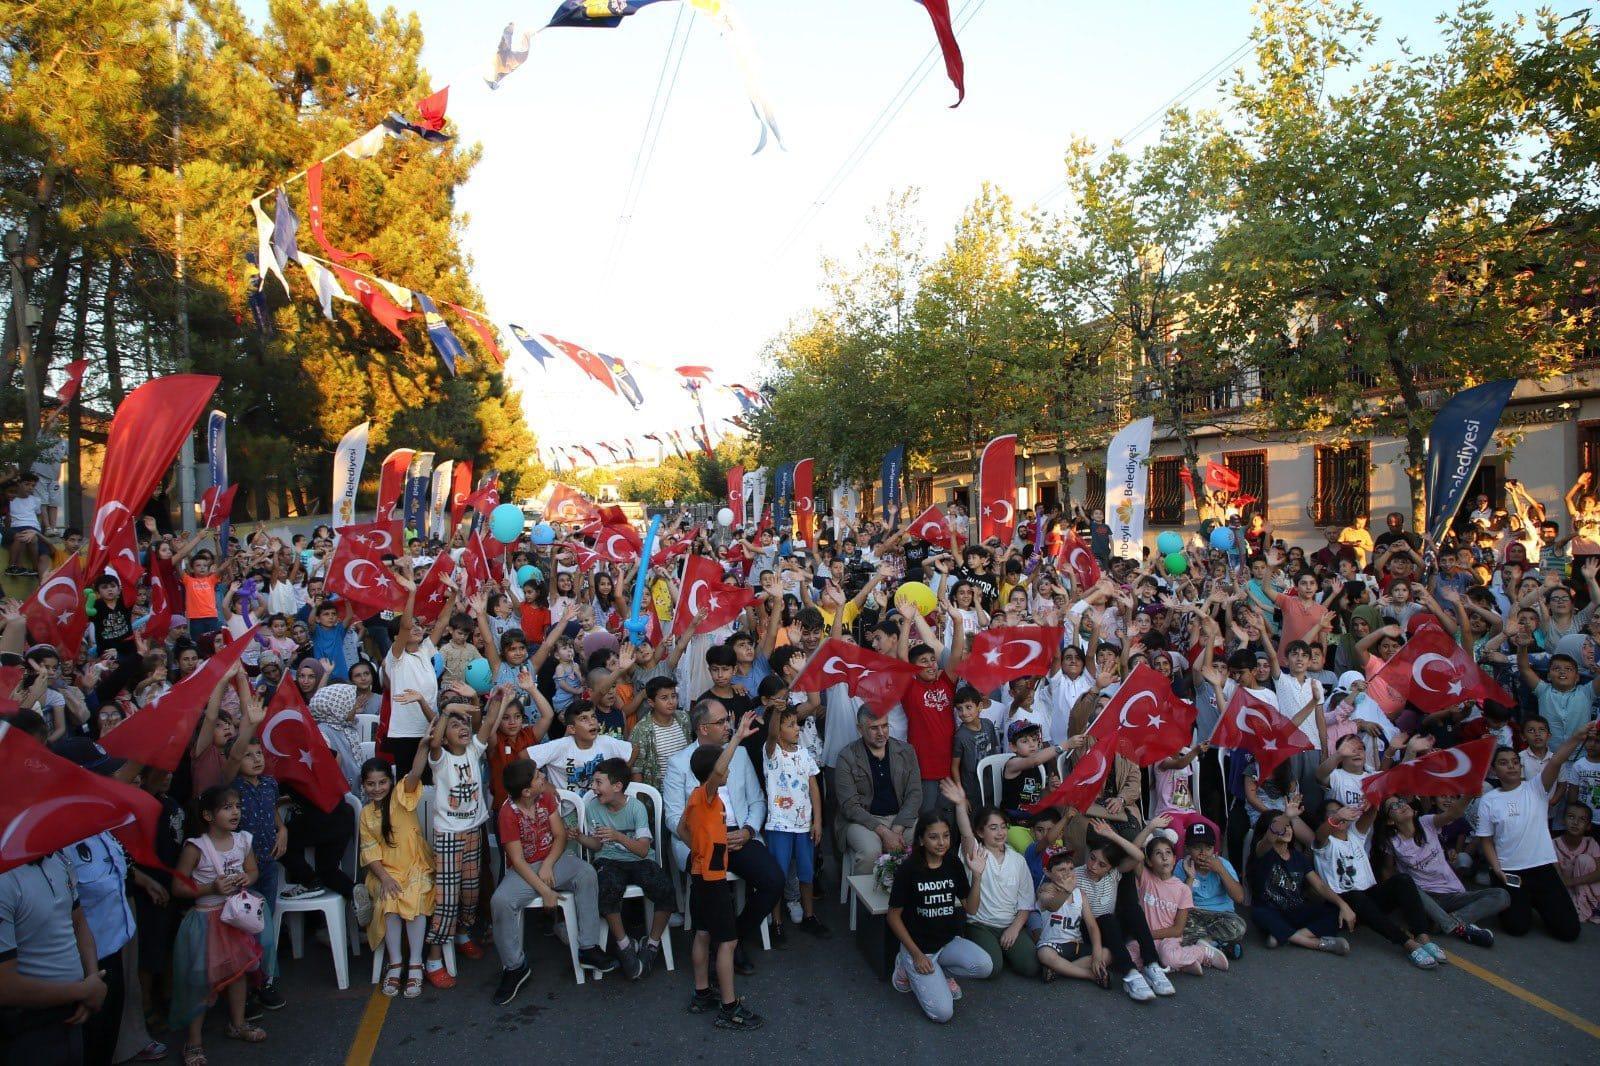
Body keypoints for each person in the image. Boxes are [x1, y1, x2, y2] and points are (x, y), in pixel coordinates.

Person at [663, 698, 783, 976]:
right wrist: (702, 839)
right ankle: (719, 949)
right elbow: (672, 817)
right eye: (721, 722)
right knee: (712, 892)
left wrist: (748, 830)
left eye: (728, 720)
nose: (728, 726)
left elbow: (757, 801)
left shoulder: (739, 755)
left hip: (737, 833)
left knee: (773, 880)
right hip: (701, 840)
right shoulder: (679, 762)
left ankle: (734, 937)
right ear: (703, 728)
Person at [490, 758, 616, 1006]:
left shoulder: (546, 798)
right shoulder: (507, 813)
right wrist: (544, 890)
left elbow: (559, 836)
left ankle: (588, 947)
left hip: (553, 860)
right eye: (537, 776)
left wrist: (548, 864)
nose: (543, 778)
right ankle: (515, 967)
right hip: (524, 869)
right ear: (526, 791)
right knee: (500, 902)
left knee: (586, 873)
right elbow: (517, 860)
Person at [679, 712, 765, 1031]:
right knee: (727, 943)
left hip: (699, 873)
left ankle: (702, 994)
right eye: (724, 768)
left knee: (703, 933)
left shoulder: (694, 798)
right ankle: (730, 1009)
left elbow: (681, 829)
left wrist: (700, 848)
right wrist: (738, 737)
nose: (728, 772)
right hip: (713, 878)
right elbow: (717, 770)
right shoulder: (707, 794)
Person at [169, 786, 265, 1063]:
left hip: (235, 919)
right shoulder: (196, 847)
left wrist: (248, 879)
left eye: (237, 806)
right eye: (227, 807)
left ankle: (238, 1023)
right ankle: (193, 1041)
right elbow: (178, 886)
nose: (235, 812)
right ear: (208, 815)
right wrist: (210, 887)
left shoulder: (243, 840)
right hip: (206, 921)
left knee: (239, 972)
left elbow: (253, 870)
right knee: (201, 980)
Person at [1475, 727, 1591, 941]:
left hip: (1542, 869)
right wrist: (1497, 869)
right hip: (1510, 872)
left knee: (1569, 932)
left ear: (1520, 766)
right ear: (1493, 770)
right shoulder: (1488, 800)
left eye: (1514, 761)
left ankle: (1537, 900)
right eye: (1503, 762)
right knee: (1516, 928)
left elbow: (1557, 760)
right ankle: (1517, 898)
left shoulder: (1535, 788)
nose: (1511, 765)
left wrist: (1577, 737)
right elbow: (1486, 840)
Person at [0, 847, 109, 1065]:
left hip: (73, 1012)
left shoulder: (59, 858)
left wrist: (92, 976)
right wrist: (85, 990)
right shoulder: (4, 878)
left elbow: (78, 922)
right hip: (30, 1025)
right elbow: (4, 986)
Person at [886, 810, 993, 1023]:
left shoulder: (953, 864)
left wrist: (977, 876)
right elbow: (893, 916)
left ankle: (941, 971)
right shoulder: (909, 869)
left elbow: (971, 909)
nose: (941, 842)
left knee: (984, 966)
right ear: (921, 840)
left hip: (947, 942)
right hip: (918, 948)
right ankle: (904, 965)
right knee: (943, 1014)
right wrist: (916, 955)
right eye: (933, 837)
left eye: (946, 836)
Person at [1313, 799, 1441, 969]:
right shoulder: (1324, 844)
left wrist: (1373, 803)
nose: (1340, 815)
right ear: (1325, 820)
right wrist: (1337, 817)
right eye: (1333, 813)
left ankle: (1423, 937)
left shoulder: (1355, 835)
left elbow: (1370, 814)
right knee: (1355, 895)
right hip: (1343, 906)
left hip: (1369, 898)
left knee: (1403, 880)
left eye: (1341, 811)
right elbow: (1320, 835)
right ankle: (1408, 944)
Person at [577, 758, 676, 978]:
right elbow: (597, 846)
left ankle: (652, 944)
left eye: (598, 782)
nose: (593, 788)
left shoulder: (636, 807)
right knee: (606, 889)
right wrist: (580, 838)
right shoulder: (593, 806)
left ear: (617, 786)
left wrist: (618, 836)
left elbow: (642, 850)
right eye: (594, 782)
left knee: (665, 889)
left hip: (639, 859)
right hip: (608, 860)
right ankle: (624, 945)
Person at [422, 704, 494, 986]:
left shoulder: (474, 750)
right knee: (448, 899)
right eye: (455, 725)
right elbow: (434, 743)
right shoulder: (440, 759)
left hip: (473, 831)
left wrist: (499, 697)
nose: (463, 727)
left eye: (465, 723)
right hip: (449, 837)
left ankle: (463, 934)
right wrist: (446, 712)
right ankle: (434, 958)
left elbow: (487, 723)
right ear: (444, 736)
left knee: (471, 892)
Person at [1373, 794, 1504, 946]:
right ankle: (1454, 925)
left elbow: (1453, 814)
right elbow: (1387, 871)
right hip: (1425, 899)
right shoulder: (1391, 842)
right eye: (1393, 806)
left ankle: (1447, 923)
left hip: (1454, 894)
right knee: (1408, 883)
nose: (1401, 805)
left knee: (1501, 895)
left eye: (1401, 801)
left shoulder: (1426, 822)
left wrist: (1469, 794)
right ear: (1389, 820)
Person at [356, 748, 434, 1000]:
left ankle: (415, 963)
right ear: (363, 785)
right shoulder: (366, 814)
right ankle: (396, 963)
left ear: (391, 781)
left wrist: (423, 746)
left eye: (382, 782)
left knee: (414, 896)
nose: (377, 788)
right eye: (371, 784)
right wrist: (385, 878)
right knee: (389, 899)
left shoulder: (402, 796)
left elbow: (416, 771)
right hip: (384, 872)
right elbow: (370, 853)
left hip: (416, 866)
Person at [942, 781, 1038, 978]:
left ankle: (1003, 949)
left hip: (1009, 923)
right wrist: (960, 805)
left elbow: (1026, 902)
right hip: (980, 924)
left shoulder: (1018, 860)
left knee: (1032, 967)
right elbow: (966, 834)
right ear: (980, 832)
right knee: (992, 969)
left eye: (1003, 827)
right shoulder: (976, 853)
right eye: (993, 828)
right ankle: (967, 948)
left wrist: (1014, 929)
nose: (1000, 833)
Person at [1076, 818, 1178, 1001]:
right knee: (1106, 918)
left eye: (1102, 864)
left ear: (1111, 868)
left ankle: (1151, 965)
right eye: (1092, 858)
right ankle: (1130, 974)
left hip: (1112, 930)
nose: (1093, 866)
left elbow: (1138, 856)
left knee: (1132, 909)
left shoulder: (1115, 874)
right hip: (1089, 931)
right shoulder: (1076, 875)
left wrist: (1112, 835)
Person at [1247, 796, 1353, 955]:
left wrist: (1343, 904)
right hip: (1271, 911)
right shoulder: (1263, 852)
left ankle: (1286, 935)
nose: (1287, 829)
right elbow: (1270, 837)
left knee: (1335, 911)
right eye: (1282, 826)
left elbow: (1320, 886)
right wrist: (1286, 816)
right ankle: (1316, 943)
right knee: (1259, 913)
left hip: (1296, 911)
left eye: (1289, 825)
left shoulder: (1298, 857)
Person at [761, 705, 827, 937]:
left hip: (804, 826)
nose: (797, 728)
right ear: (778, 731)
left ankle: (809, 916)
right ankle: (777, 922)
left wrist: (817, 821)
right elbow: (771, 735)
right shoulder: (771, 752)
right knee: (778, 875)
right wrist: (777, 712)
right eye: (790, 725)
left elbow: (814, 789)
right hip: (779, 825)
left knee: (806, 873)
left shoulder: (804, 753)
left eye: (796, 723)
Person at [834, 707, 922, 875]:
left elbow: (915, 793)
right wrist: (884, 833)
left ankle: (912, 890)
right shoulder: (847, 756)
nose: (881, 733)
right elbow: (849, 806)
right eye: (874, 728)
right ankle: (865, 893)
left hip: (901, 818)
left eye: (885, 726)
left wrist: (897, 829)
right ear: (860, 729)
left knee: (925, 840)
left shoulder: (906, 751)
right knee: (870, 852)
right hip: (863, 821)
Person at [1033, 850, 1108, 986]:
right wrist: (1067, 891)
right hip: (1053, 945)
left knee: (1107, 953)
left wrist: (1097, 955)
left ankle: (1058, 970)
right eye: (1061, 869)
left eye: (1071, 868)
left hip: (1076, 945)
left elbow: (1092, 926)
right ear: (1047, 872)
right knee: (1044, 954)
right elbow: (1052, 905)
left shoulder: (1080, 894)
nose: (1067, 873)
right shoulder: (1045, 890)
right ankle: (1089, 974)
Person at [1172, 822, 1247, 957]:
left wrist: (1220, 870)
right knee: (1177, 927)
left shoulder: (1222, 864)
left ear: (1215, 850)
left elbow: (1239, 897)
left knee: (1238, 926)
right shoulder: (1182, 865)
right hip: (1193, 913)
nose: (1203, 853)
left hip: (1221, 914)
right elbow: (1177, 903)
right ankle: (1217, 945)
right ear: (1187, 849)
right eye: (1197, 848)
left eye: (1208, 848)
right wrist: (1190, 877)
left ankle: (1204, 944)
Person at [1554, 802, 1600, 923]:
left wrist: (1573, 881)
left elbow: (1599, 873)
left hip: (1590, 891)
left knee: (1584, 860)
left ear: (1588, 826)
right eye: (1571, 817)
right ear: (1563, 820)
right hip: (1568, 890)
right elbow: (1560, 878)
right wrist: (1568, 883)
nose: (1575, 822)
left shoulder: (1591, 842)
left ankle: (1593, 906)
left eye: (1582, 819)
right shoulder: (1554, 844)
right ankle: (1585, 907)